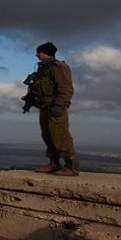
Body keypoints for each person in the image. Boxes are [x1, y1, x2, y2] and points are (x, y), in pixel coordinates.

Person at [29, 42, 79, 176]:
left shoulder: (59, 67)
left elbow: (66, 88)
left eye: (39, 52)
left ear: (43, 53)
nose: (37, 55)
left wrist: (59, 105)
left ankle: (71, 166)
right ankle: (54, 163)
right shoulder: (43, 69)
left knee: (60, 136)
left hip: (55, 107)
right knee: (48, 135)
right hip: (44, 106)